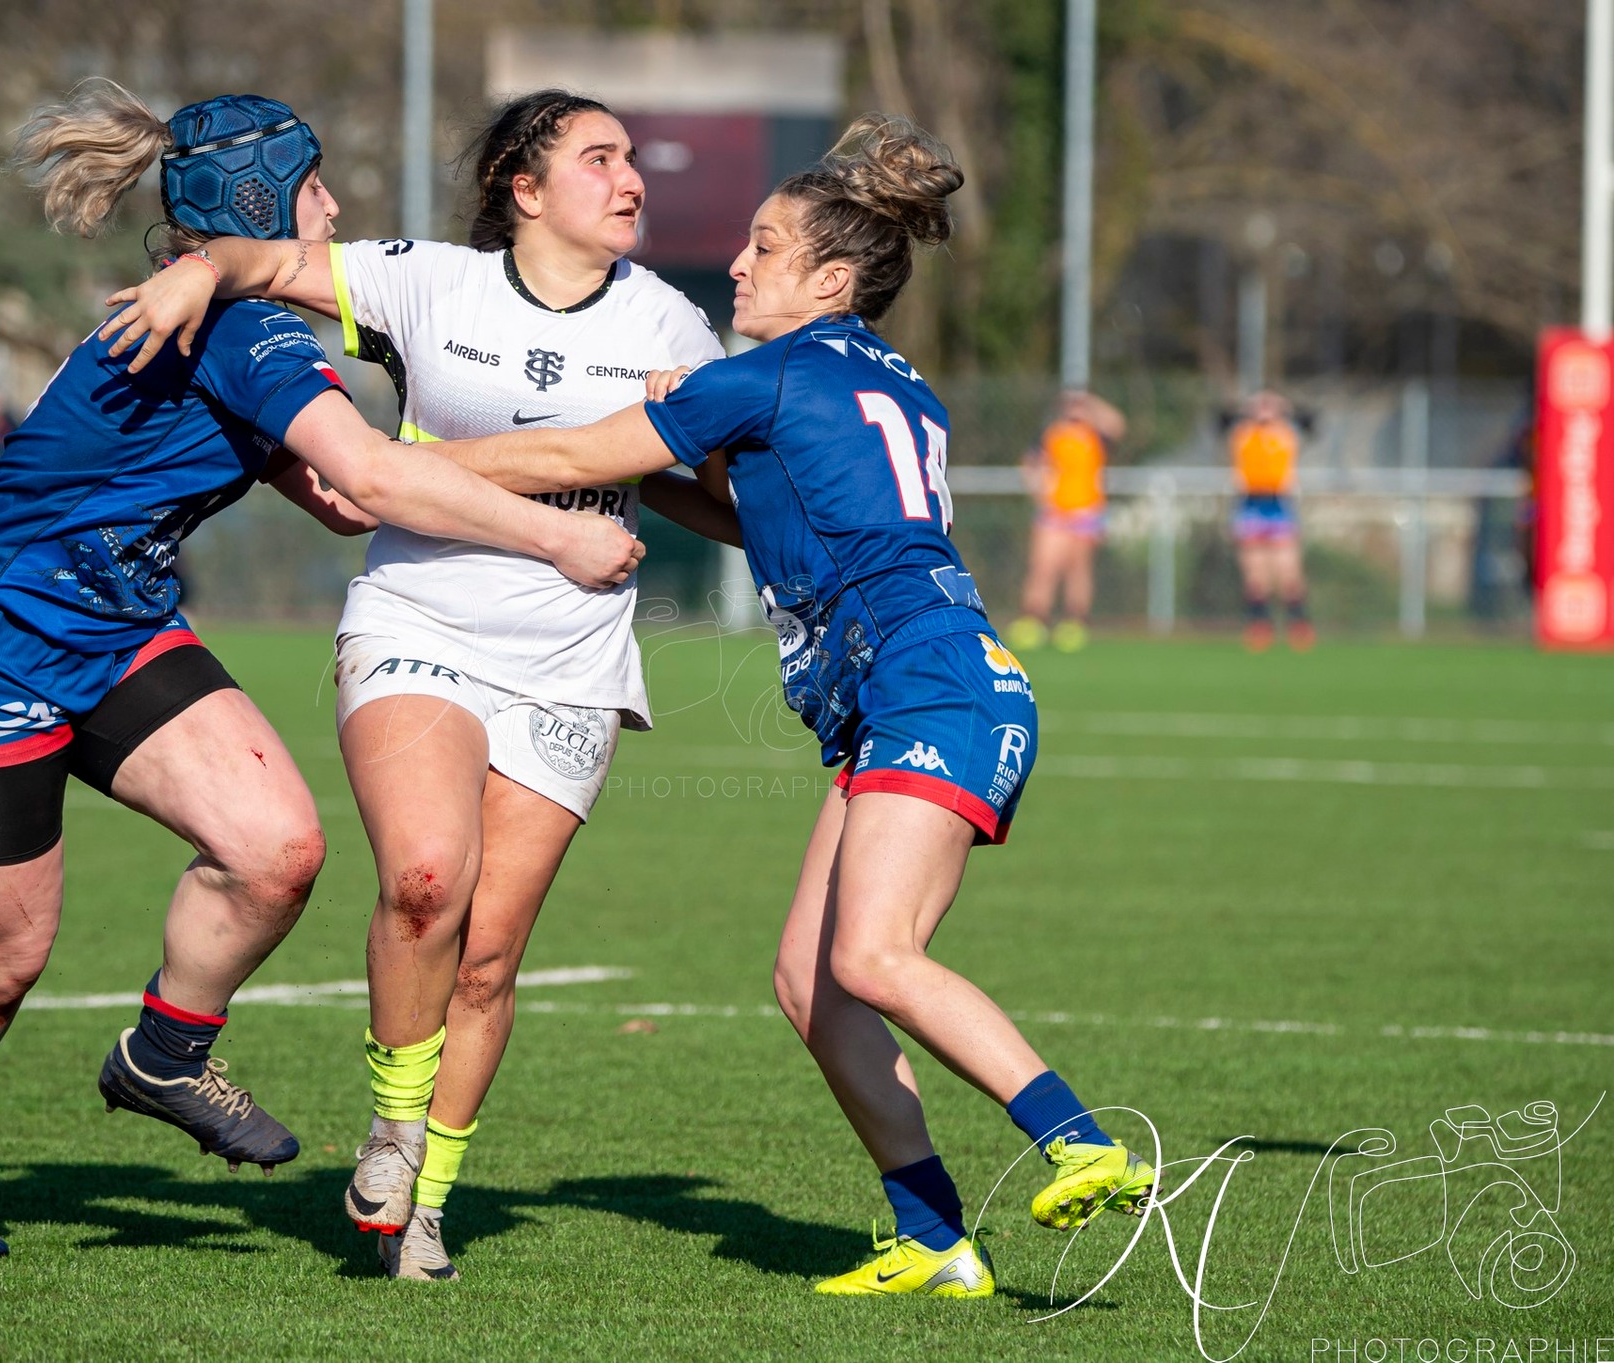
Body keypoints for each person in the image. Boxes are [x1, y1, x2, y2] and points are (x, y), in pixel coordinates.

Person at [0, 81, 642, 1260]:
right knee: (1, 958)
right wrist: (558, 529)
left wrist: (460, 453)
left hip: (115, 636)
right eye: (315, 188)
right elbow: (368, 486)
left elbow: (339, 493)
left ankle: (164, 1052)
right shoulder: (254, 329)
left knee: (277, 851)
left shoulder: (235, 319)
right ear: (262, 202)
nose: (331, 209)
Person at [413, 114, 1158, 1298]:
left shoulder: (761, 370)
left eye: (764, 248)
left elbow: (568, 456)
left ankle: (1080, 1140)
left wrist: (393, 464)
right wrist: (686, 451)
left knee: (870, 954)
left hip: (929, 683)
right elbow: (755, 508)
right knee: (810, 985)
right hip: (920, 688)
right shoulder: (884, 377)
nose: (741, 266)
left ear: (832, 278)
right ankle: (928, 1236)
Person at [97, 89, 725, 1282]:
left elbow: (705, 481)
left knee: (487, 954)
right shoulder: (425, 280)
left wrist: (808, 519)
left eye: (633, 158)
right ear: (523, 188)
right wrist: (197, 276)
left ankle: (424, 1201)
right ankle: (391, 1130)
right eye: (599, 158)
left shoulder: (672, 326)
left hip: (573, 650)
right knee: (428, 880)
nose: (631, 177)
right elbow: (261, 252)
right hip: (418, 615)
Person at [1006, 389, 1125, 653]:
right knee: (1043, 567)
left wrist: (1090, 400)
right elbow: (1030, 464)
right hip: (1055, 513)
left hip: (1086, 513)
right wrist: (1040, 491)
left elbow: (1117, 423)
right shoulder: (1052, 434)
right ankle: (1034, 619)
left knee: (1078, 569)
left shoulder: (1096, 435)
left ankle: (1075, 622)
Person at [1222, 391, 1313, 651]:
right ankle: (1259, 625)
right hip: (1250, 506)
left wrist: (1282, 407)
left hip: (1279, 506)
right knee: (1255, 574)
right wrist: (1250, 410)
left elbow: (1309, 423)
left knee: (1288, 573)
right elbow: (1223, 423)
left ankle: (1298, 623)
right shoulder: (1243, 435)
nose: (1263, 411)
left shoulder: (1285, 434)